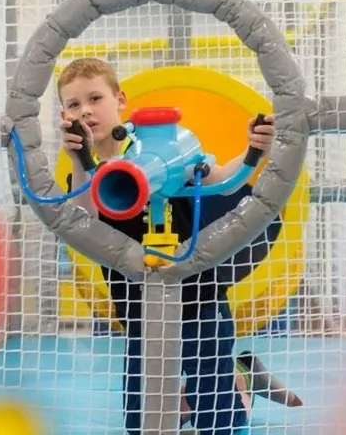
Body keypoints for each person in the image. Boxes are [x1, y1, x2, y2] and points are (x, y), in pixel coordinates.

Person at [58, 57, 284, 434]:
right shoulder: (84, 175)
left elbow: (223, 182)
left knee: (220, 420)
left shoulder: (163, 149)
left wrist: (254, 151)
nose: (86, 111)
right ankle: (232, 380)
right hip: (140, 313)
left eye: (95, 98)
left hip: (201, 303)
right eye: (74, 104)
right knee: (141, 423)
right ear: (65, 116)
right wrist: (80, 159)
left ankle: (239, 380)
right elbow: (85, 224)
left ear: (120, 100)